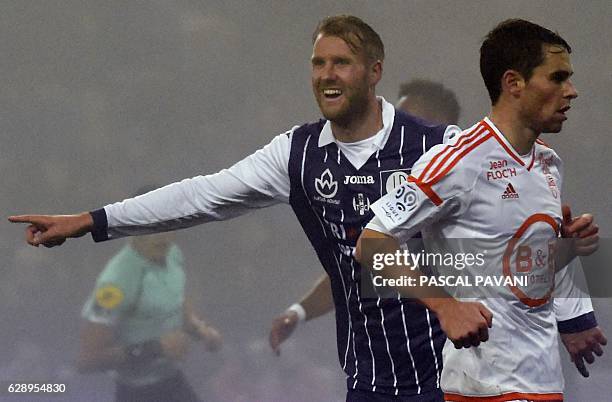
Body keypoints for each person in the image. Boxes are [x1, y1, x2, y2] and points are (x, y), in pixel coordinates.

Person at [5, 15, 601, 400]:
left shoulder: (437, 145)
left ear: (373, 73)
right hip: (368, 379)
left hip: (452, 374)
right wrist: (93, 220)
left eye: (340, 63)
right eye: (317, 64)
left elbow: (515, 240)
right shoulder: (296, 155)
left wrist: (568, 301)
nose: (326, 75)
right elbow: (202, 196)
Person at [269, 80, 605, 380]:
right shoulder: (406, 206)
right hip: (413, 370)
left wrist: (576, 320)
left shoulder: (482, 187)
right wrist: (299, 311)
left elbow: (536, 253)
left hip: (495, 365)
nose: (394, 133)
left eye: (406, 121)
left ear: (436, 128)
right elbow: (361, 265)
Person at [357, 19, 602, 401]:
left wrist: (572, 311)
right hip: (485, 385)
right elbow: (371, 242)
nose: (571, 91)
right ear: (513, 83)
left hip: (542, 380)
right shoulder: (459, 161)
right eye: (558, 77)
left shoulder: (549, 164)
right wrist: (446, 307)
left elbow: (517, 267)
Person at [78, 188, 222, 402]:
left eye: (167, 226)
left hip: (172, 381)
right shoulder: (116, 282)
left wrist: (200, 330)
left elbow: (176, 303)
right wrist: (156, 348)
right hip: (138, 393)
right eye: (150, 228)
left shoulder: (172, 253)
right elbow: (87, 360)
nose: (162, 237)